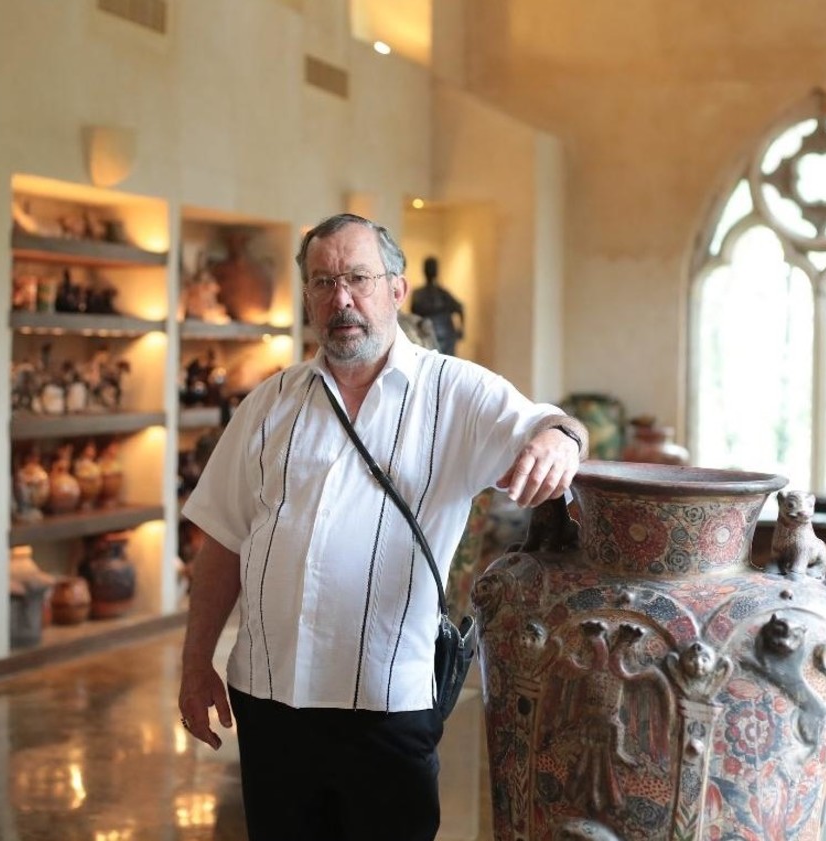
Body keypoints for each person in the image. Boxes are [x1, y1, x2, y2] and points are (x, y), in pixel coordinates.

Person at [177, 213, 588, 841]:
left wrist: (561, 441)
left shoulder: (454, 392)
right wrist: (195, 661)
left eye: (358, 278)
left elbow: (551, 424)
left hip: (386, 705)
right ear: (308, 297)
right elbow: (223, 540)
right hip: (268, 698)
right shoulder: (268, 403)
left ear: (396, 289)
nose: (341, 298)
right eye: (323, 282)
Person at [410, 255, 465, 356]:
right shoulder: (420, 294)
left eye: (432, 268)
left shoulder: (442, 293)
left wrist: (460, 330)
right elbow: (414, 315)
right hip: (427, 337)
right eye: (429, 268)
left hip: (444, 338)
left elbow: (460, 308)